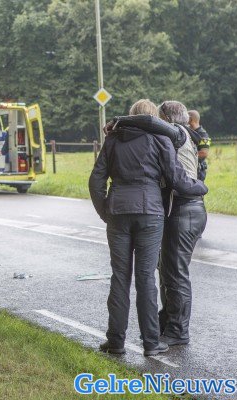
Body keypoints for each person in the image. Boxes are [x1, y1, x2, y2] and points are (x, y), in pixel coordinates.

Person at [89, 99, 208, 357]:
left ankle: (115, 341)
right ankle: (151, 343)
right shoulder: (160, 139)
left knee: (119, 277)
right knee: (146, 278)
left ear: (132, 115)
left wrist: (105, 211)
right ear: (154, 119)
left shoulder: (113, 140)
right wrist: (201, 187)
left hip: (118, 212)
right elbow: (177, 179)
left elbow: (96, 180)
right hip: (151, 214)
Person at [155, 101, 208, 346]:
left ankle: (178, 330)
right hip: (184, 209)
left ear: (167, 119)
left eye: (159, 118)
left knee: (175, 273)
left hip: (184, 210)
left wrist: (122, 122)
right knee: (167, 271)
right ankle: (167, 322)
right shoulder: (183, 135)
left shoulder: (178, 132)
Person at [188, 110, 211, 181]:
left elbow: (203, 153)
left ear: (190, 119)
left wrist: (187, 155)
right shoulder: (188, 132)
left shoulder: (203, 134)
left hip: (198, 171)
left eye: (185, 118)